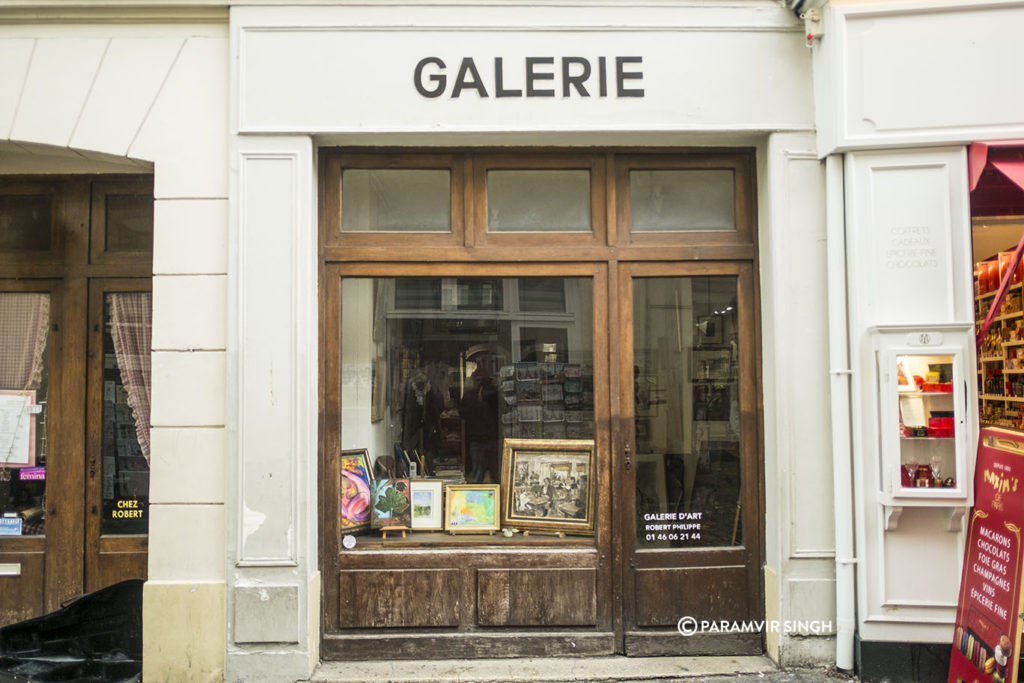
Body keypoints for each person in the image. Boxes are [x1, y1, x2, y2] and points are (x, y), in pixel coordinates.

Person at [460, 363, 500, 483]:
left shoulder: (493, 394)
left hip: (491, 438)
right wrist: (477, 400)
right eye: (477, 380)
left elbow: (500, 408)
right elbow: (463, 414)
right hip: (478, 439)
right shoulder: (469, 395)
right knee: (478, 473)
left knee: (496, 473)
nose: (479, 383)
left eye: (481, 380)